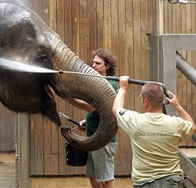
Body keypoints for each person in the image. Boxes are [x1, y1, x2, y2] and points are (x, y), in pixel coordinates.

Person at [112, 76, 195, 188]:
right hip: (173, 182)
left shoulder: (135, 121)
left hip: (144, 183)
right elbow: (192, 126)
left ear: (146, 101)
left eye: (141, 98)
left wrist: (122, 89)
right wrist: (177, 105)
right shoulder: (175, 123)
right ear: (163, 101)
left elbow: (116, 109)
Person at [66, 49, 118, 188]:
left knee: (106, 178)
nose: (93, 65)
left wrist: (68, 98)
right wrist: (87, 122)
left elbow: (91, 107)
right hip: (93, 138)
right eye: (93, 62)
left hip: (104, 141)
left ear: (107, 66)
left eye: (98, 63)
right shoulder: (96, 82)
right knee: (93, 177)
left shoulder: (110, 84)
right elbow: (97, 112)